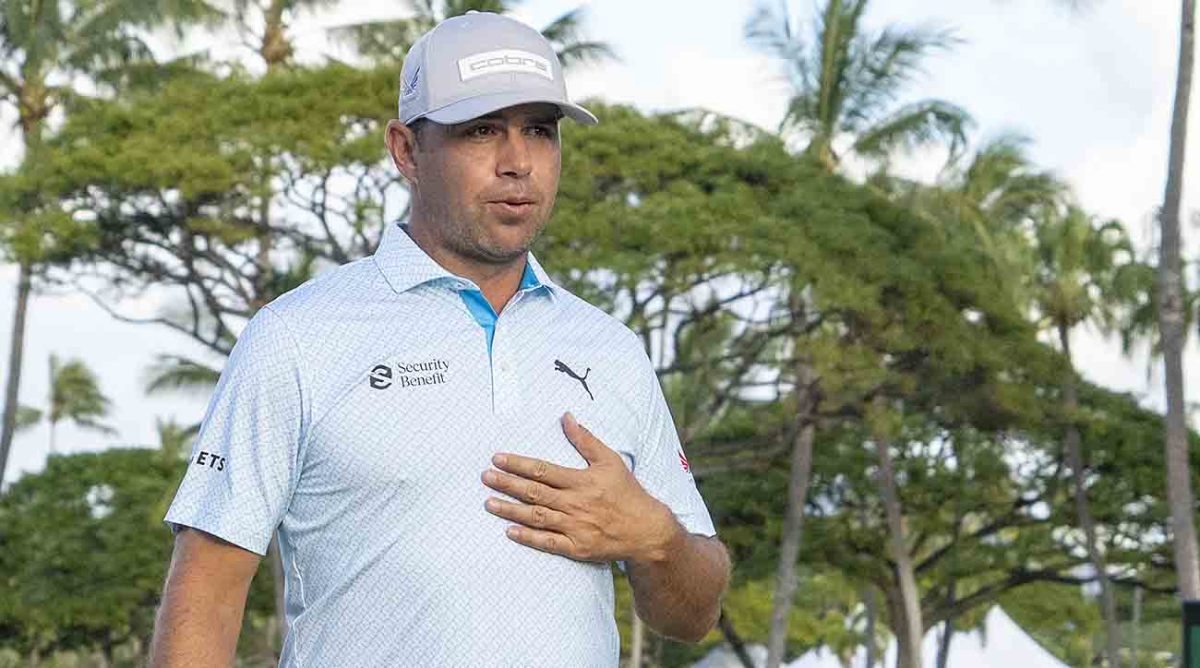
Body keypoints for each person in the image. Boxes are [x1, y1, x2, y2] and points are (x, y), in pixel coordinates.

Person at [149, 11, 730, 668]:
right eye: (482, 131)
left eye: (539, 132)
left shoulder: (611, 351)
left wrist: (658, 540)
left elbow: (693, 614)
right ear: (406, 150)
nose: (518, 164)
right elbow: (208, 596)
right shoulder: (294, 336)